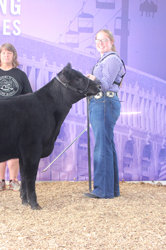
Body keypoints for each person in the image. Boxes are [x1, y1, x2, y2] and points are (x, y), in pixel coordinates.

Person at [0, 43, 33, 192]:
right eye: (4, 53)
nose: (6, 55)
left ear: (13, 56)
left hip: (16, 118)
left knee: (14, 151)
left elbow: (29, 97)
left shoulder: (20, 75)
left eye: (9, 53)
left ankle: (13, 180)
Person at [84, 29, 125, 199]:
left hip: (104, 102)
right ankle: (111, 189)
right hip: (102, 103)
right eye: (97, 40)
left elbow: (106, 84)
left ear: (111, 42)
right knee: (106, 145)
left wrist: (92, 79)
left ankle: (102, 189)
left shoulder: (112, 59)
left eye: (104, 40)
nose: (100, 43)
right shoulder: (104, 59)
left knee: (102, 145)